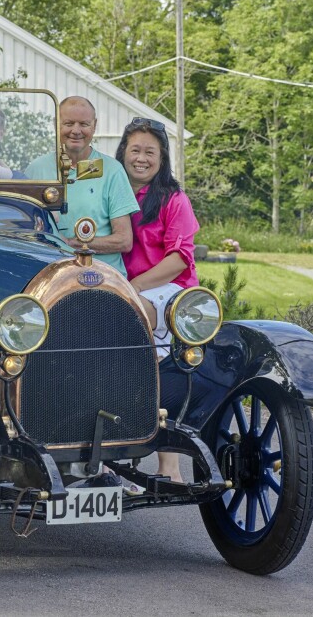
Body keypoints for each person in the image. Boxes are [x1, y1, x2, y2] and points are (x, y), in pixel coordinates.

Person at [117, 117, 200, 483]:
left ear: (162, 158)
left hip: (169, 289)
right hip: (121, 289)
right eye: (135, 149)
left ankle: (170, 466)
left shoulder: (172, 198)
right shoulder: (112, 191)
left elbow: (180, 259)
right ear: (123, 153)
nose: (141, 158)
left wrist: (132, 286)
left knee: (146, 331)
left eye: (150, 152)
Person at [25, 96, 138, 275]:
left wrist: (69, 244)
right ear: (56, 124)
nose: (76, 131)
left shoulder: (112, 170)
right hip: (50, 278)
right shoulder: (35, 170)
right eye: (69, 123)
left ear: (95, 125)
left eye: (84, 124)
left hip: (104, 278)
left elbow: (124, 240)